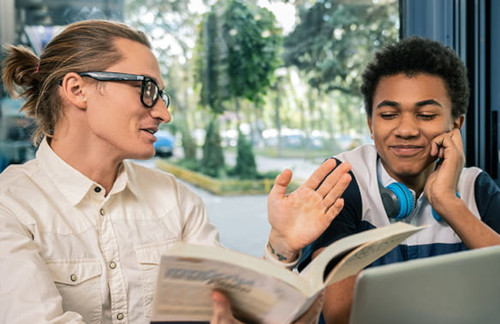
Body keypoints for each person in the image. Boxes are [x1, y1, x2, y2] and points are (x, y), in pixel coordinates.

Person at [0, 20, 353, 324]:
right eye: (146, 89)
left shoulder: (174, 198)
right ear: (78, 90)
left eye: (161, 97)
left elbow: (228, 305)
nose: (163, 114)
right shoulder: (11, 207)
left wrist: (282, 245)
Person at [298, 36, 500, 324]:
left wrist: (448, 204)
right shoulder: (343, 180)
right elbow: (340, 314)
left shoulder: (477, 188)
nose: (406, 130)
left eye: (426, 115)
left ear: (456, 124)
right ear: (371, 124)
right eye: (389, 114)